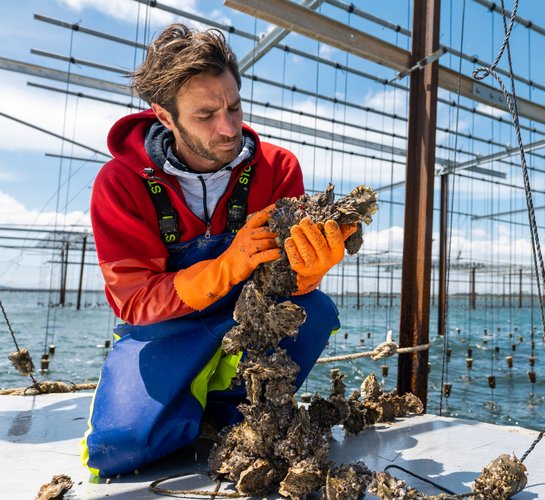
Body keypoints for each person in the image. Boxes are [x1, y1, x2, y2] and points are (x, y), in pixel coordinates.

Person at [80, 23, 353, 477]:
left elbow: (288, 283)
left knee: (315, 309)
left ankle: (228, 409)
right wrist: (228, 264)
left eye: (234, 106)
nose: (228, 128)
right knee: (122, 449)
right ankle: (173, 401)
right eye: (206, 115)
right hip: (165, 328)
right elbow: (134, 298)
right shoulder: (121, 182)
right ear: (164, 116)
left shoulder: (278, 167)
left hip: (249, 318)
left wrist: (311, 269)